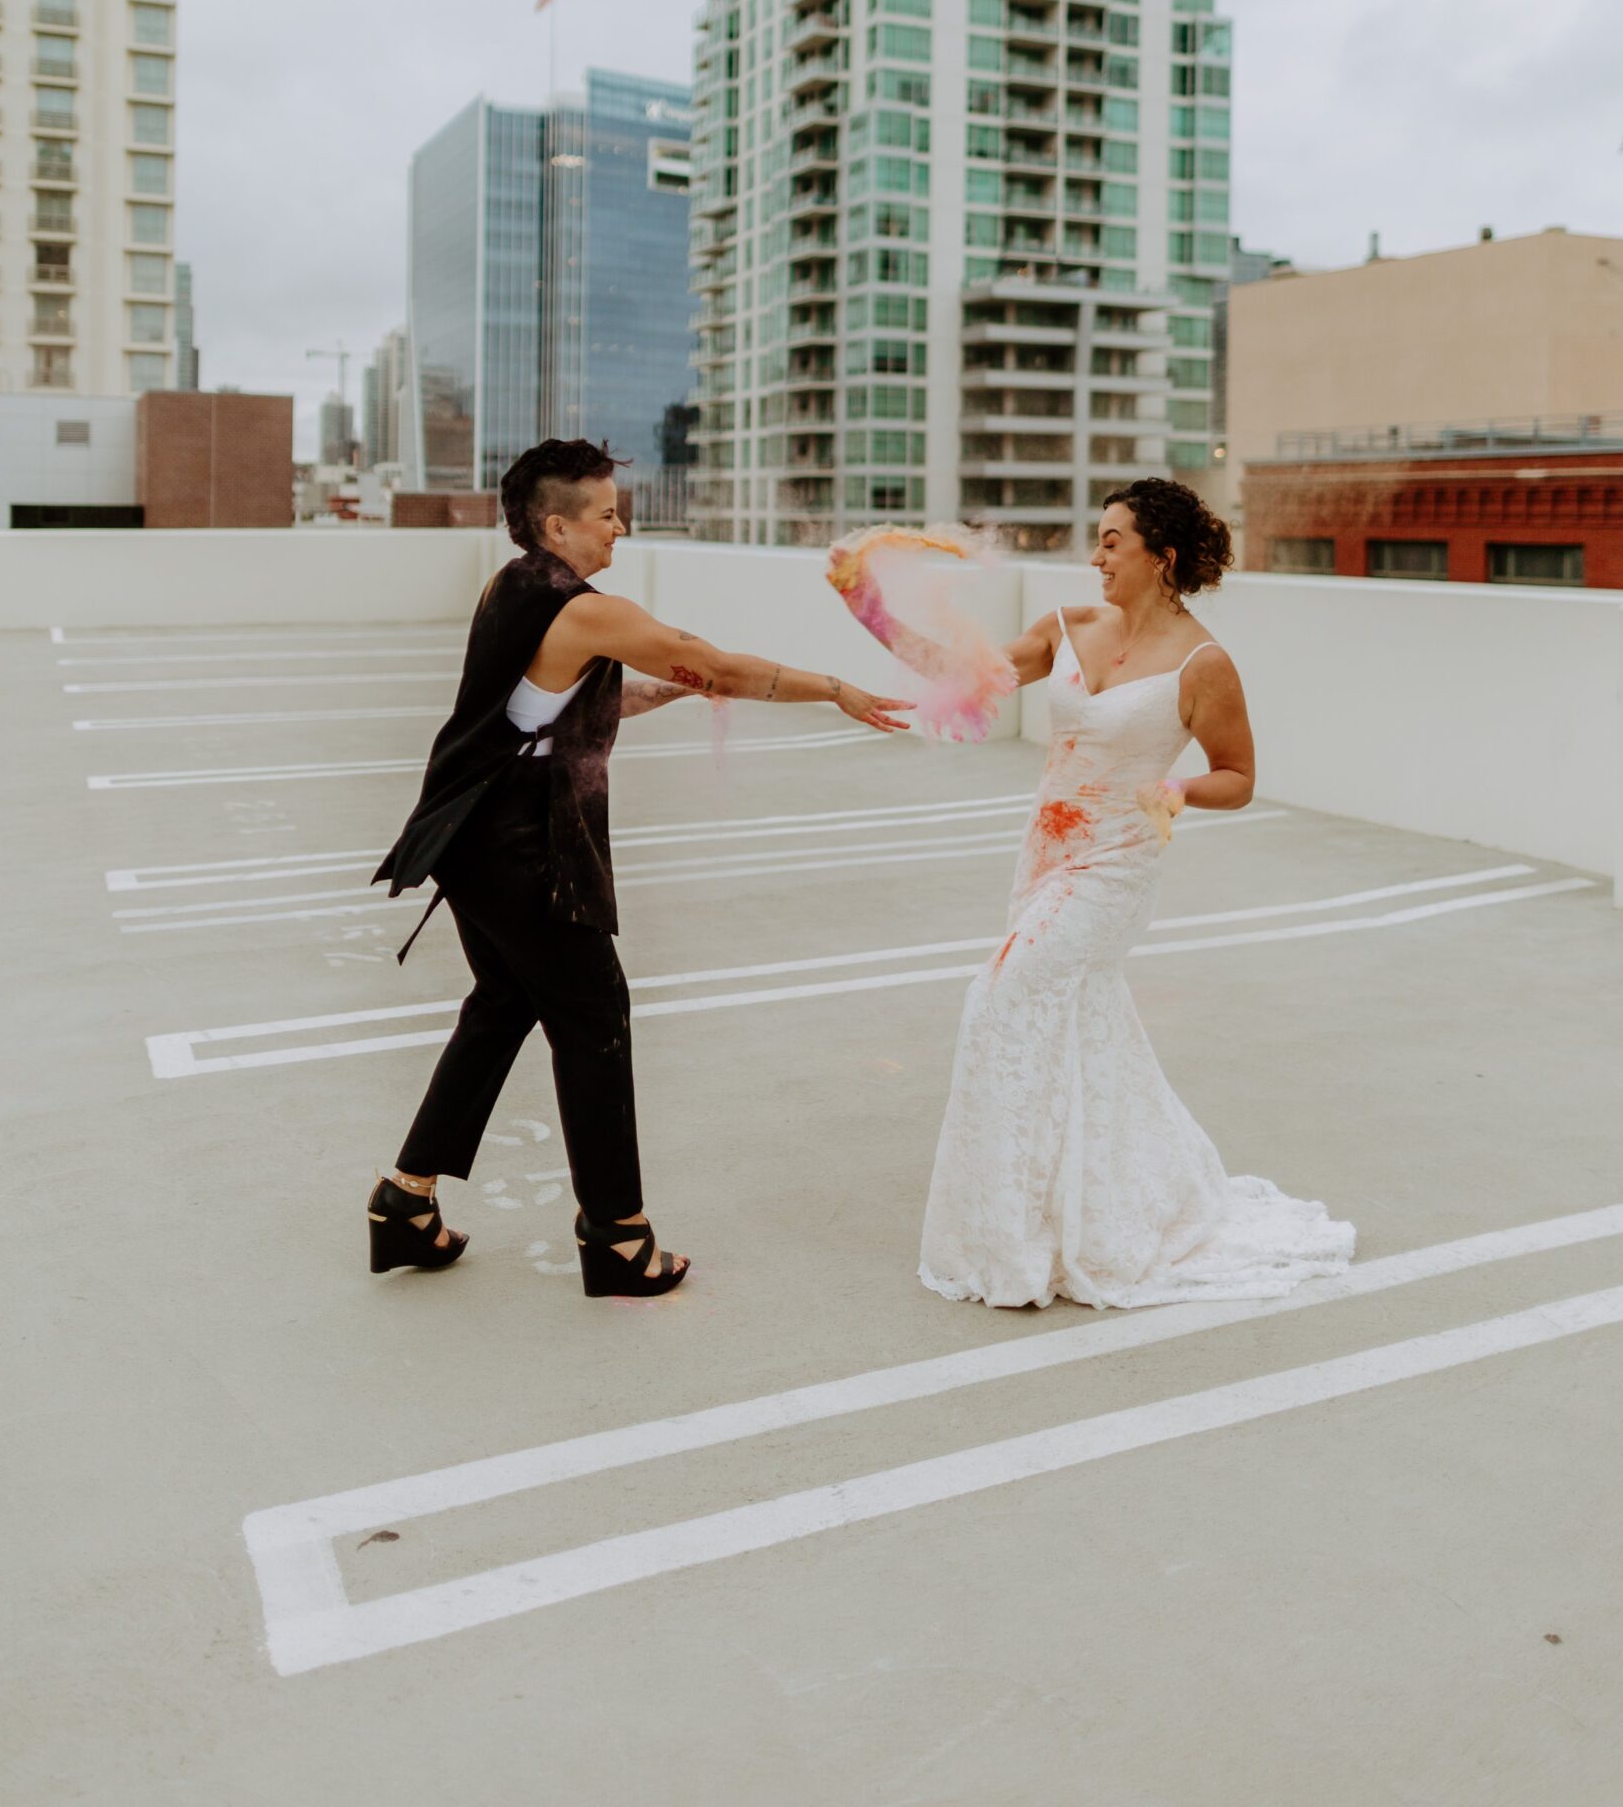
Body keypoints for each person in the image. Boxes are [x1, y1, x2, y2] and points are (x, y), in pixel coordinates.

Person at [367, 437, 910, 1298]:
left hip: (467, 840)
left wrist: (670, 689)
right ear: (557, 525)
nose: (622, 527)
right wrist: (836, 688)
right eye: (607, 514)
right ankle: (617, 1238)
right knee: (594, 1017)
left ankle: (406, 1201)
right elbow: (721, 659)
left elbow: (552, 698)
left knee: (503, 1006)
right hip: (521, 852)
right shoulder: (588, 608)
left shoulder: (510, 586)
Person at [917, 478, 1355, 1311]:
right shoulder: (1069, 627)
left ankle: (1009, 1239)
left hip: (1115, 866)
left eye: (1112, 541)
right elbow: (972, 678)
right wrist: (876, 608)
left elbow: (1239, 777)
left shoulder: (1204, 664)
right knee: (1072, 1027)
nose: (1095, 557)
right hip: (1045, 853)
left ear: (1163, 558)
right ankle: (1077, 1212)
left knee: (999, 1003)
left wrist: (1181, 791)